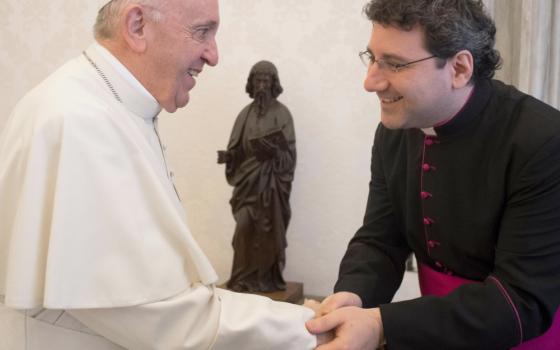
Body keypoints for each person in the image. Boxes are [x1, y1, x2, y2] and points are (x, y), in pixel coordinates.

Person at [0, 1, 319, 349]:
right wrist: (309, 326)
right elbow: (163, 319)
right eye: (202, 32)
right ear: (137, 26)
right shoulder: (81, 122)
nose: (213, 56)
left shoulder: (107, 105)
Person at [306, 0, 560, 349]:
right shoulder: (395, 129)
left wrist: (382, 325)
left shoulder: (542, 141)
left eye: (393, 63)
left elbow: (522, 300)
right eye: (372, 58)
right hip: (431, 332)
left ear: (458, 68)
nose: (370, 82)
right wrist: (353, 295)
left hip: (518, 336)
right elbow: (381, 239)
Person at [217, 60, 296, 293]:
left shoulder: (283, 115)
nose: (261, 85)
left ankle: (267, 280)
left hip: (271, 190)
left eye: (266, 80)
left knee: (269, 234)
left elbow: (290, 157)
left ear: (273, 84)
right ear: (251, 83)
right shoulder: (244, 115)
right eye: (257, 80)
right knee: (243, 229)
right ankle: (241, 280)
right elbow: (237, 151)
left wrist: (276, 152)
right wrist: (229, 157)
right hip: (247, 188)